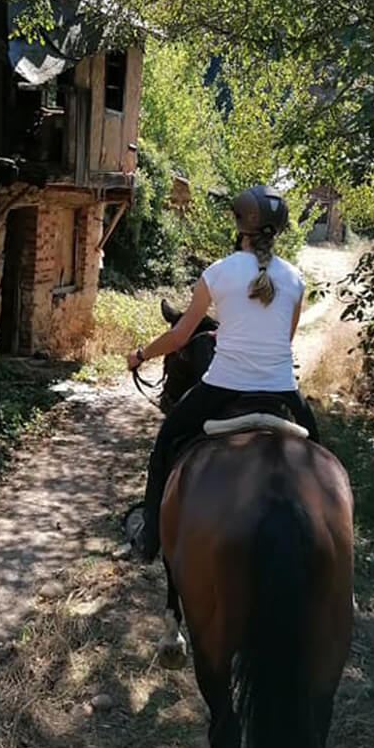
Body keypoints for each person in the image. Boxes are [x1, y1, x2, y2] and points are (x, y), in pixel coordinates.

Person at [126, 184, 320, 562]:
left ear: (240, 224)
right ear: (277, 230)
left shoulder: (218, 272)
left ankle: (150, 538)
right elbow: (283, 339)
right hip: (282, 390)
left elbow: (181, 335)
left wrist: (140, 355)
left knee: (165, 444)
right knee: (320, 455)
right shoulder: (295, 279)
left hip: (223, 387)